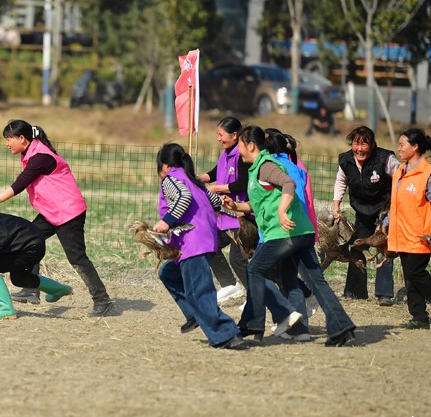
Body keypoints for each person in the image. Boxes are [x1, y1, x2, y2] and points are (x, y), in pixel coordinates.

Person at [222, 126, 356, 346]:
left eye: (240, 145)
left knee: (254, 269)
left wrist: (283, 210)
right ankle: (340, 328)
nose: (238, 150)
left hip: (284, 232)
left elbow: (288, 184)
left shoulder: (265, 166)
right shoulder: (258, 170)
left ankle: (257, 323)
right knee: (306, 280)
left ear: (251, 145)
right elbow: (259, 203)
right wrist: (235, 205)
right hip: (301, 232)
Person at [0, 120, 114, 317]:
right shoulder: (31, 153)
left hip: (68, 213)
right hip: (51, 213)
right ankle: (31, 290)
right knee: (28, 240)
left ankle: (102, 300)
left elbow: (20, 184)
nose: (6, 143)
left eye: (9, 139)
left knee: (77, 258)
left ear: (22, 138)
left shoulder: (40, 157)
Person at [263, 130, 356, 344]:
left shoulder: (274, 167)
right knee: (295, 281)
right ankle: (301, 330)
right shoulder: (297, 167)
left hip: (287, 232)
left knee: (263, 274)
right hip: (303, 231)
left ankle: (340, 326)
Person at [152, 144, 244, 349]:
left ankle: (227, 334)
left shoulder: (170, 179)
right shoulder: (193, 180)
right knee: (167, 273)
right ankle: (196, 314)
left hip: (192, 242)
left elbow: (184, 198)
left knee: (198, 291)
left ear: (165, 165)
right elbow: (215, 201)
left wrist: (166, 221)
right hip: (203, 240)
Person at [383, 128, 431, 330]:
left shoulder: (427, 173)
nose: (398, 149)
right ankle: (419, 317)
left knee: (416, 272)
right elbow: (396, 202)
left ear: (415, 147)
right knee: (409, 276)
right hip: (402, 233)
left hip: (421, 234)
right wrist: (388, 219)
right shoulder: (400, 171)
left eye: (402, 145)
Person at [333, 126, 400, 304]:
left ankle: (384, 294)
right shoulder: (346, 160)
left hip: (384, 210)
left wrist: (394, 208)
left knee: (383, 248)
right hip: (362, 211)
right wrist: (336, 206)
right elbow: (341, 182)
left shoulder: (385, 159)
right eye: (356, 143)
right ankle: (355, 293)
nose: (360, 149)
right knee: (357, 247)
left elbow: (401, 178)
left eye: (365, 144)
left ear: (373, 144)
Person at [198, 117, 250, 305]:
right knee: (208, 244)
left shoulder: (243, 156)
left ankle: (254, 295)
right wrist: (198, 178)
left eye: (221, 135)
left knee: (237, 259)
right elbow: (215, 173)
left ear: (234, 135)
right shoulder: (225, 154)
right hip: (225, 218)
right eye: (217, 134)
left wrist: (217, 188)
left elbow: (242, 183)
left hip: (240, 217)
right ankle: (229, 285)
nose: (218, 138)